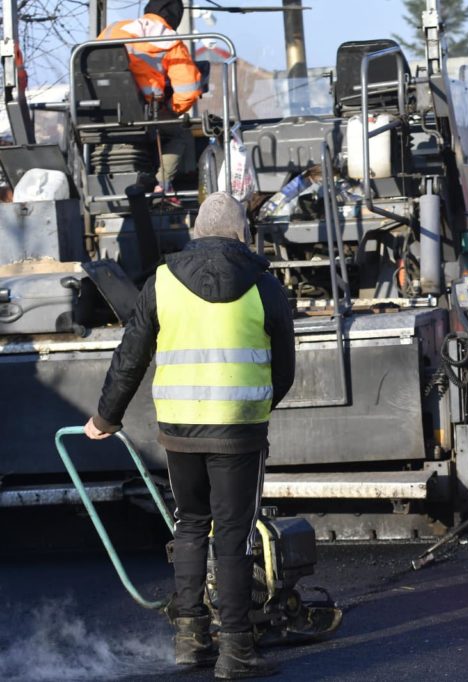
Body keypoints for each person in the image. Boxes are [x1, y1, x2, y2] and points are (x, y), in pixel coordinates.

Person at [83, 192, 294, 678]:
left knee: (191, 524)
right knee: (235, 535)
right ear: (243, 233)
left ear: (196, 230)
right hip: (239, 431)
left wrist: (105, 417)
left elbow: (130, 355)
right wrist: (256, 404)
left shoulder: (161, 282)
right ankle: (236, 649)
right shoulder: (264, 283)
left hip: (179, 429)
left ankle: (190, 637)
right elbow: (284, 367)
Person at [99, 0, 202, 199]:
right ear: (175, 18)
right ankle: (162, 186)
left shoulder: (112, 30)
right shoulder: (169, 40)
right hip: (144, 114)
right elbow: (188, 90)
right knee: (180, 134)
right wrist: (172, 109)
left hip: (100, 113)